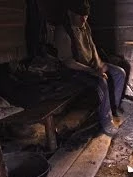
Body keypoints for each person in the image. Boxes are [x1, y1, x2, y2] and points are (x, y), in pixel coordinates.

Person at [54, 0, 126, 136]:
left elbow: (92, 47)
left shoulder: (85, 25)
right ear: (70, 13)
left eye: (86, 16)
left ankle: (113, 107)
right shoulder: (63, 31)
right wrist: (93, 72)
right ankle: (106, 121)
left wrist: (99, 64)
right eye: (80, 16)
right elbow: (68, 62)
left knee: (119, 73)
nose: (83, 19)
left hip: (90, 65)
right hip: (74, 71)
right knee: (102, 83)